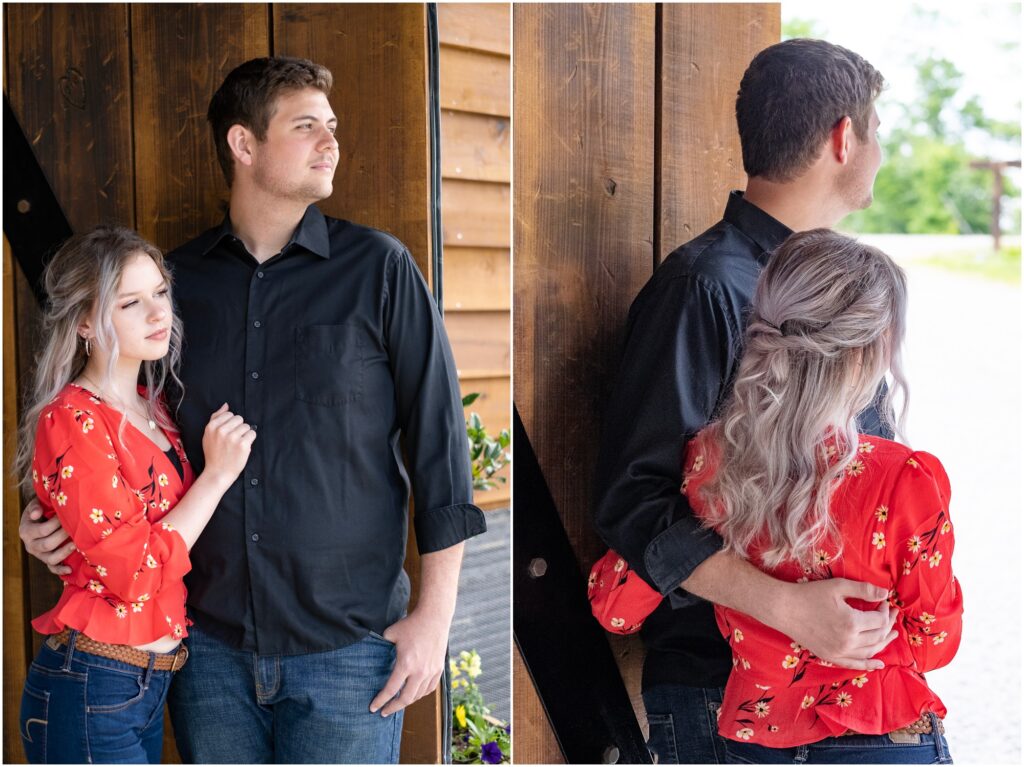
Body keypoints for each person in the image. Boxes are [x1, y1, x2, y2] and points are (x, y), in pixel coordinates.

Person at [20, 56, 485, 763]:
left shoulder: (380, 270)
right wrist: (51, 517)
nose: (331, 142)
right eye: (307, 126)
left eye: (332, 127)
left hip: (349, 649)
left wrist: (435, 617)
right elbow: (119, 435)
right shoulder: (173, 289)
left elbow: (441, 451)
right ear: (244, 144)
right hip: (207, 650)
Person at [592, 39, 896, 764]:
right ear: (843, 137)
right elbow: (635, 500)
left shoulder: (835, 286)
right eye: (876, 129)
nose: (879, 150)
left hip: (852, 681)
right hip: (729, 694)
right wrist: (791, 609)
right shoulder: (705, 286)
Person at [594, 230, 960, 763]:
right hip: (879, 738)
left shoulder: (705, 464)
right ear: (871, 352)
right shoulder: (906, 480)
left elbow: (615, 611)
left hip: (746, 737)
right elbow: (935, 643)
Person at [16, 226, 255, 763]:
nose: (156, 314)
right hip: (92, 682)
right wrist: (216, 477)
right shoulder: (73, 418)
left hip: (146, 685)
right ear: (83, 322)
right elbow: (134, 573)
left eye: (160, 293)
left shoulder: (157, 408)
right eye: (130, 302)